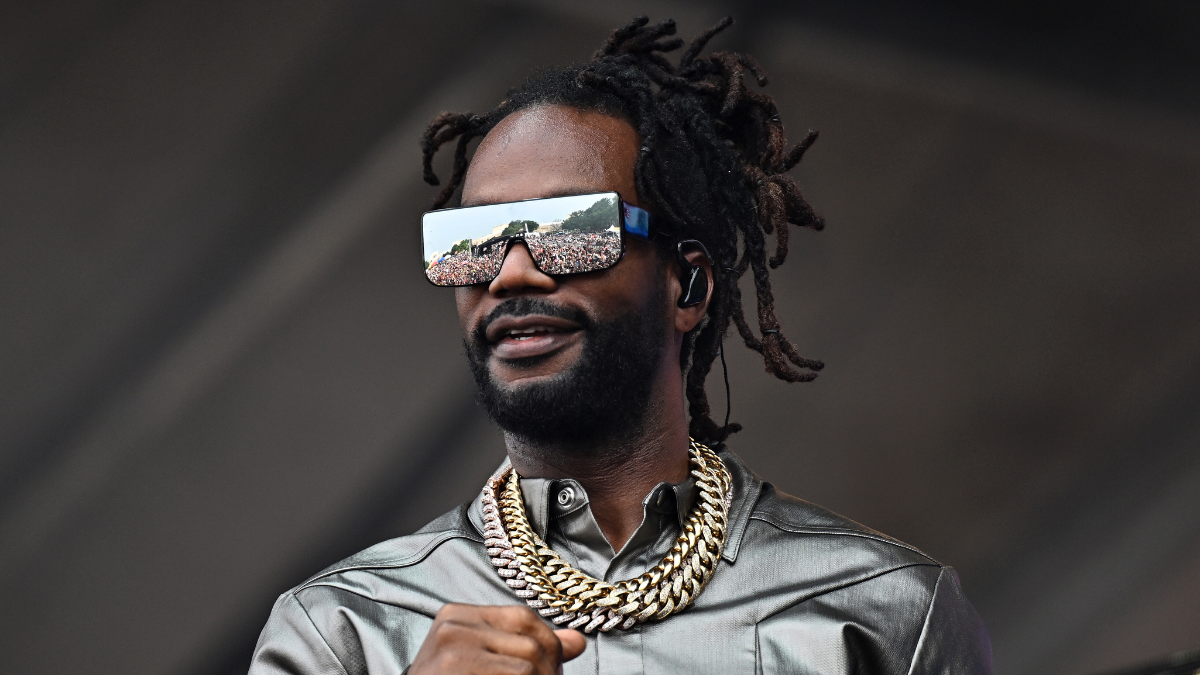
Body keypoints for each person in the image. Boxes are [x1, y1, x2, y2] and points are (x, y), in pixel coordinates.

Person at [249, 16, 992, 675]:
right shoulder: (342, 629)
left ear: (688, 286)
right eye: (471, 241)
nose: (510, 273)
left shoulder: (884, 615)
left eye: (572, 230)